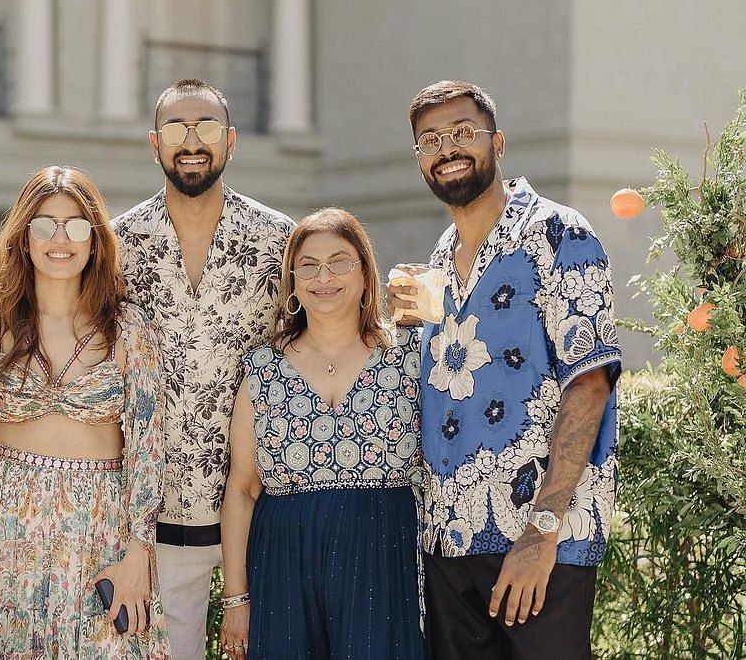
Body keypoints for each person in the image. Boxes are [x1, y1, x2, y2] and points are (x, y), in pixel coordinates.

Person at [386, 81, 621, 659]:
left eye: (464, 132)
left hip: (537, 538)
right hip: (449, 538)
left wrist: (542, 530)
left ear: (499, 142)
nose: (448, 148)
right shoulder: (439, 257)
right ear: (419, 159)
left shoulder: (559, 232)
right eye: (431, 140)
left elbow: (589, 382)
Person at [0, 165, 169, 659]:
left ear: (95, 241)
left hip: (99, 525)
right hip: (6, 525)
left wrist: (140, 553)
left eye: (76, 226)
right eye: (45, 225)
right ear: (24, 238)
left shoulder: (127, 329)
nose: (59, 239)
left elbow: (149, 449)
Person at [113, 79, 294, 660]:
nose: (192, 142)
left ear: (231, 141)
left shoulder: (279, 241)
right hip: (154, 514)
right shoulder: (117, 245)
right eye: (176, 129)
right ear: (154, 143)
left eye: (207, 128)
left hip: (261, 504)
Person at [220, 208, 425, 660]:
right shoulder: (262, 368)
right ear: (292, 281)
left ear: (365, 273)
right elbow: (243, 487)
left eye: (339, 261)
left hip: (382, 555)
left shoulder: (408, 355)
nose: (323, 276)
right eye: (308, 265)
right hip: (284, 563)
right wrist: (236, 598)